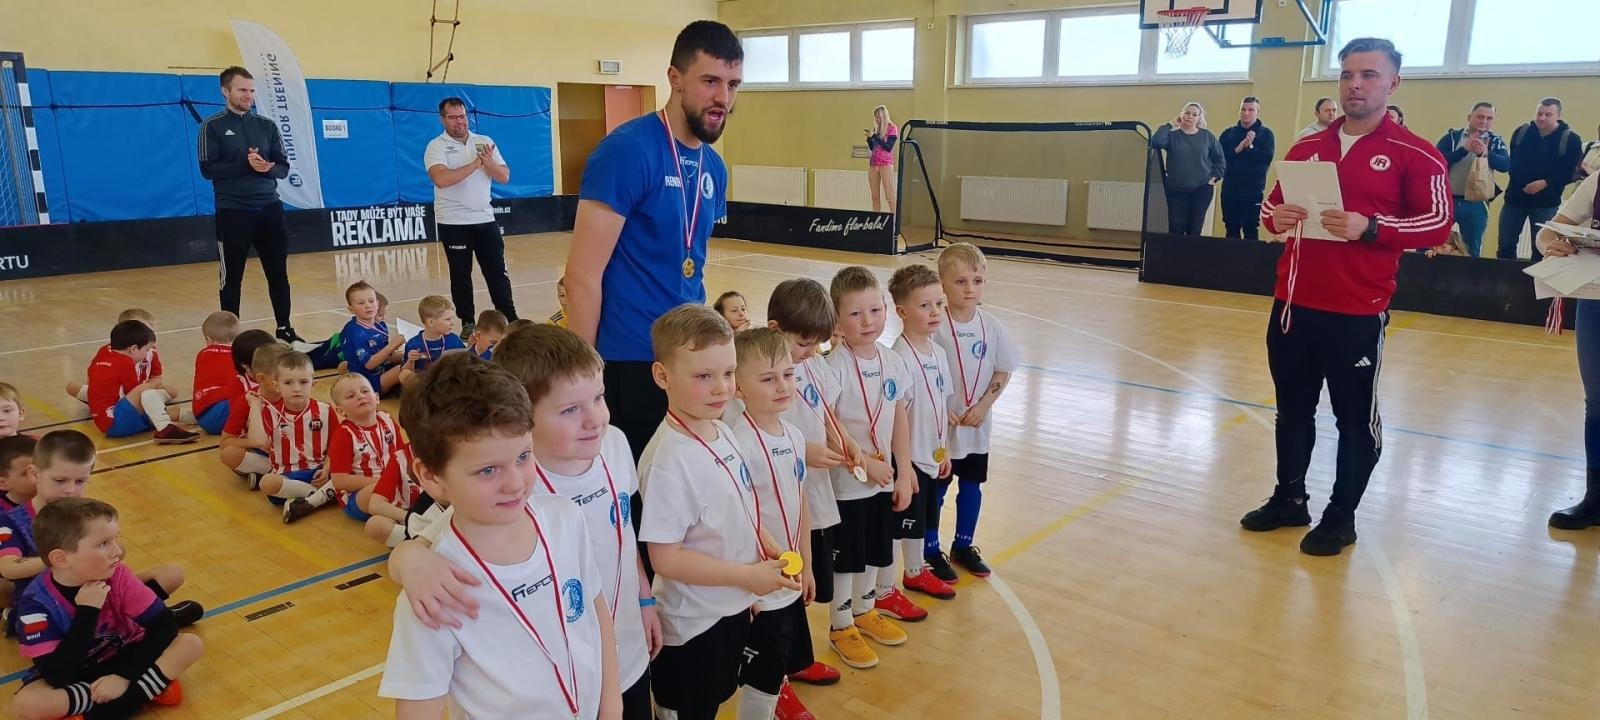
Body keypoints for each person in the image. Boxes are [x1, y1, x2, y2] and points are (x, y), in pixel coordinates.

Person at [1243, 38, 1452, 557]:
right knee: (1292, 411)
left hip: (1356, 312)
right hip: (1292, 305)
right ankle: (1290, 498)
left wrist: (1372, 227)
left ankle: (1341, 517)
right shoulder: (1305, 147)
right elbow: (1270, 211)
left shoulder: (1416, 153)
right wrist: (1277, 218)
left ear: (1393, 83)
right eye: (1347, 75)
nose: (1355, 85)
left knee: (1355, 420)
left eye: (1369, 75)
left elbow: (1437, 223)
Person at [377, 354, 622, 719]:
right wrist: (407, 557)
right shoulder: (435, 591)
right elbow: (418, 708)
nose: (515, 483)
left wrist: (612, 708)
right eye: (488, 470)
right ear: (429, 476)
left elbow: (596, 613)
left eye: (523, 456)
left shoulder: (564, 518)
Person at [566, 21, 740, 460]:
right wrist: (584, 378)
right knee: (641, 500)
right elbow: (583, 276)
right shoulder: (627, 151)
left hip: (689, 360)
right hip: (629, 360)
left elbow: (688, 265)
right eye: (710, 81)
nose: (723, 97)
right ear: (675, 79)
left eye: (733, 84)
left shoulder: (714, 169)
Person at [637, 304, 796, 719]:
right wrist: (746, 577)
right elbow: (665, 558)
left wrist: (767, 546)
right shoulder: (668, 462)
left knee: (719, 695)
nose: (721, 388)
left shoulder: (722, 429)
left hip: (731, 608)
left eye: (728, 373)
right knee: (692, 707)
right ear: (662, 376)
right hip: (692, 625)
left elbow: (740, 506)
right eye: (703, 376)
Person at [9, 498, 204, 720]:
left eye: (115, 539)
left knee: (190, 644)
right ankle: (149, 688)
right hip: (78, 673)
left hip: (128, 655)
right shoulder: (35, 603)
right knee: (25, 707)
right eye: (103, 543)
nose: (117, 551)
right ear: (61, 558)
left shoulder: (118, 575)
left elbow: (164, 624)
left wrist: (122, 678)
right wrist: (88, 612)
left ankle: (100, 712)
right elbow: (57, 675)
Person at [0, 431, 204, 633]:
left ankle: (140, 620)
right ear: (35, 474)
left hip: (98, 591)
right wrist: (65, 559)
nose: (71, 490)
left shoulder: (88, 513)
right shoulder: (12, 521)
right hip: (52, 604)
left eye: (80, 481)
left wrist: (108, 548)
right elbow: (9, 567)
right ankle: (145, 623)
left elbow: (118, 551)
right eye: (60, 481)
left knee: (172, 574)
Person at [825, 266, 915, 670]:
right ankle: (841, 624)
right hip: (849, 481)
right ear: (837, 319)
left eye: (875, 311)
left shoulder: (892, 361)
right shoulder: (835, 366)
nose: (869, 321)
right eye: (856, 313)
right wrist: (863, 461)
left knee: (878, 551)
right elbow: (828, 423)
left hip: (883, 477)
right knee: (849, 556)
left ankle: (865, 610)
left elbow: (898, 418)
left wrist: (905, 469)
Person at [728, 328, 819, 720]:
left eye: (787, 374)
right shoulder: (737, 445)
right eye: (768, 379)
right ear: (737, 387)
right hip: (761, 584)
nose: (782, 386)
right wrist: (747, 589)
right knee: (761, 677)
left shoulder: (795, 436)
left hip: (791, 576)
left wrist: (809, 563)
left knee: (778, 662)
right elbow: (738, 525)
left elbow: (800, 504)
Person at [763, 278, 849, 688]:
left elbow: (828, 416)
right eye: (803, 344)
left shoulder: (813, 366)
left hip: (811, 502)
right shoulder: (756, 381)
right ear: (775, 330)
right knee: (779, 593)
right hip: (776, 509)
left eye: (818, 343)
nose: (812, 353)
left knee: (803, 586)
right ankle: (771, 681)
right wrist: (806, 454)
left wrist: (843, 444)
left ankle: (797, 659)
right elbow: (758, 446)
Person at [198, 66, 305, 345]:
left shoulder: (267, 126)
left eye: (252, 90)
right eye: (242, 90)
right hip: (233, 211)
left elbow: (282, 167)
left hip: (269, 209)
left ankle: (284, 327)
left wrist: (267, 167)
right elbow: (208, 169)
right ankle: (228, 336)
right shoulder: (212, 126)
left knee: (278, 273)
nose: (249, 95)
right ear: (226, 91)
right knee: (231, 277)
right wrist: (244, 164)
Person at [929, 243, 1015, 580]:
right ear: (942, 283)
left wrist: (982, 406)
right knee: (937, 488)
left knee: (971, 486)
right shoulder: (934, 324)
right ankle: (929, 548)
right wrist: (939, 408)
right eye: (961, 281)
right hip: (942, 428)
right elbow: (923, 372)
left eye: (977, 281)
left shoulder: (991, 326)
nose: (970, 289)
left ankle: (963, 545)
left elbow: (1003, 370)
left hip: (976, 426)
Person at [887, 265, 958, 603]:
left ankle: (915, 572)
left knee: (923, 520)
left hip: (931, 457)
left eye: (939, 304)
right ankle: (884, 587)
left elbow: (941, 406)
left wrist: (943, 450)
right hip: (910, 462)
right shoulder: (899, 359)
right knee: (901, 526)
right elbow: (894, 419)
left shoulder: (939, 352)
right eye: (924, 306)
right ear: (901, 312)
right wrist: (904, 468)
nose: (934, 312)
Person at [1533, 171, 1600, 530]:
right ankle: (1596, 500)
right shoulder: (1598, 180)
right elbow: (1550, 229)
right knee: (1598, 403)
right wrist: (1551, 245)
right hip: (1597, 298)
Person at [425, 97, 517, 325]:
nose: (460, 122)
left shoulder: (483, 141)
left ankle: (509, 319)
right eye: (453, 117)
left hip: (485, 219)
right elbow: (441, 179)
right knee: (461, 275)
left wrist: (488, 162)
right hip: (453, 221)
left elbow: (504, 176)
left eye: (463, 116)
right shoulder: (436, 146)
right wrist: (476, 164)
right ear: (442, 119)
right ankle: (467, 321)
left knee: (497, 271)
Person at [246, 351, 337, 523]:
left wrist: (327, 468)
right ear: (276, 385)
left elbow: (337, 444)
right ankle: (320, 497)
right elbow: (257, 441)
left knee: (348, 470)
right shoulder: (269, 412)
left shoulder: (325, 410)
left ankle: (309, 500)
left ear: (313, 384)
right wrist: (255, 406)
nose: (296, 388)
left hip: (321, 472)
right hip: (287, 479)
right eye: (288, 382)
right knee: (267, 483)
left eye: (303, 382)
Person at [86, 320, 199, 444]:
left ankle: (196, 417)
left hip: (109, 423)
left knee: (162, 410)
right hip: (115, 420)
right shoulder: (124, 363)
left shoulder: (103, 360)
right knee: (145, 390)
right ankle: (165, 428)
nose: (146, 355)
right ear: (134, 348)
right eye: (146, 350)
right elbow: (139, 393)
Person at [1500, 98, 1585, 261]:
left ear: (1558, 115)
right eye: (1539, 113)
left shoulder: (1571, 140)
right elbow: (1513, 162)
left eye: (1548, 114)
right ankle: (1503, 283)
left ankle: (1533, 286)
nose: (1542, 118)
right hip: (1514, 201)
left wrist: (1547, 182)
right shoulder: (1521, 132)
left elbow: (1572, 172)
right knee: (1505, 246)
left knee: (1541, 249)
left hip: (1546, 204)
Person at [1436, 102, 1510, 258]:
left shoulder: (1495, 140)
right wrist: (1464, 150)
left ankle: (1468, 282)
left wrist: (1486, 153)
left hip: (1476, 203)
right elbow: (1436, 162)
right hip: (1447, 201)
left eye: (1489, 118)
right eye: (1480, 116)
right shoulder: (1452, 137)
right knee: (1433, 242)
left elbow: (1505, 165)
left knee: (1472, 248)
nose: (1484, 121)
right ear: (1469, 117)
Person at [326, 374, 402, 523]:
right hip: (359, 496)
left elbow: (402, 455)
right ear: (341, 411)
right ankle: (409, 518)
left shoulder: (387, 420)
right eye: (351, 396)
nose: (360, 396)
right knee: (376, 490)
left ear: (377, 398)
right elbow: (340, 481)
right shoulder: (344, 435)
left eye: (365, 391)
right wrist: (383, 482)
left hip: (394, 485)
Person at [1151, 102, 1226, 236]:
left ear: (1198, 118)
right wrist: (1170, 125)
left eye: (1194, 114)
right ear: (1181, 115)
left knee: (1195, 229)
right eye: (1187, 112)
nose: (1190, 116)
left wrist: (1214, 178)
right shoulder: (1172, 136)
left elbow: (1220, 160)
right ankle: (1175, 256)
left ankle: (1191, 257)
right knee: (1175, 228)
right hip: (1176, 190)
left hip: (1201, 189)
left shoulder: (1207, 136)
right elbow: (1155, 141)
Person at [218, 336, 282, 485]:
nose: (296, 386)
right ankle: (273, 472)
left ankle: (272, 474)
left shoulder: (296, 394)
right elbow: (225, 442)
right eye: (285, 379)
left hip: (297, 453)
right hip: (262, 450)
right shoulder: (246, 398)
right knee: (230, 454)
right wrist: (258, 443)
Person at [67, 308, 166, 404]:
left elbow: (156, 376)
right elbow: (92, 376)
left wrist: (147, 390)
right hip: (112, 394)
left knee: (169, 391)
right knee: (72, 387)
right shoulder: (107, 352)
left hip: (138, 395)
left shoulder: (150, 351)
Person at [1217, 96, 1276, 240]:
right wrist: (1238, 148)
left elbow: (1266, 158)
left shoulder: (1266, 134)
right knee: (1231, 227)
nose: (1246, 113)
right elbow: (1220, 158)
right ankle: (1230, 262)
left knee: (1250, 228)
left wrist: (1249, 147)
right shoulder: (1228, 134)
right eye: (1243, 109)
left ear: (1257, 112)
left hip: (1252, 190)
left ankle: (1250, 263)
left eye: (1251, 110)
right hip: (1230, 189)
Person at [340, 281, 408, 395]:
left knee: (411, 359)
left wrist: (408, 353)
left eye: (371, 301)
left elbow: (387, 357)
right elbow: (369, 364)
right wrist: (392, 346)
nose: (367, 305)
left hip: (383, 371)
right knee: (403, 370)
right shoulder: (355, 332)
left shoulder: (380, 325)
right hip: (366, 382)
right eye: (361, 303)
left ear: (377, 303)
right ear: (351, 309)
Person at [192, 311, 242, 435]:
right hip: (223, 413)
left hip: (201, 414)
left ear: (209, 340)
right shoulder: (238, 356)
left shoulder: (202, 355)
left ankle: (183, 415)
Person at [401, 295, 466, 377]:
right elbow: (406, 373)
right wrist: (410, 361)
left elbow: (466, 362)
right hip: (424, 384)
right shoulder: (414, 344)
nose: (452, 323)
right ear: (431, 322)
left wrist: (471, 345)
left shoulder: (454, 340)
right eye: (447, 319)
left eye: (452, 318)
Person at [865, 105, 899, 214]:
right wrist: (869, 140)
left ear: (884, 116)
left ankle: (894, 222)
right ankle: (876, 220)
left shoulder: (892, 128)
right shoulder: (877, 129)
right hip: (873, 164)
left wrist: (874, 136)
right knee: (875, 196)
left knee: (890, 195)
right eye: (875, 117)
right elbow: (873, 148)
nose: (876, 120)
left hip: (885, 164)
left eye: (878, 117)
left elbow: (888, 147)